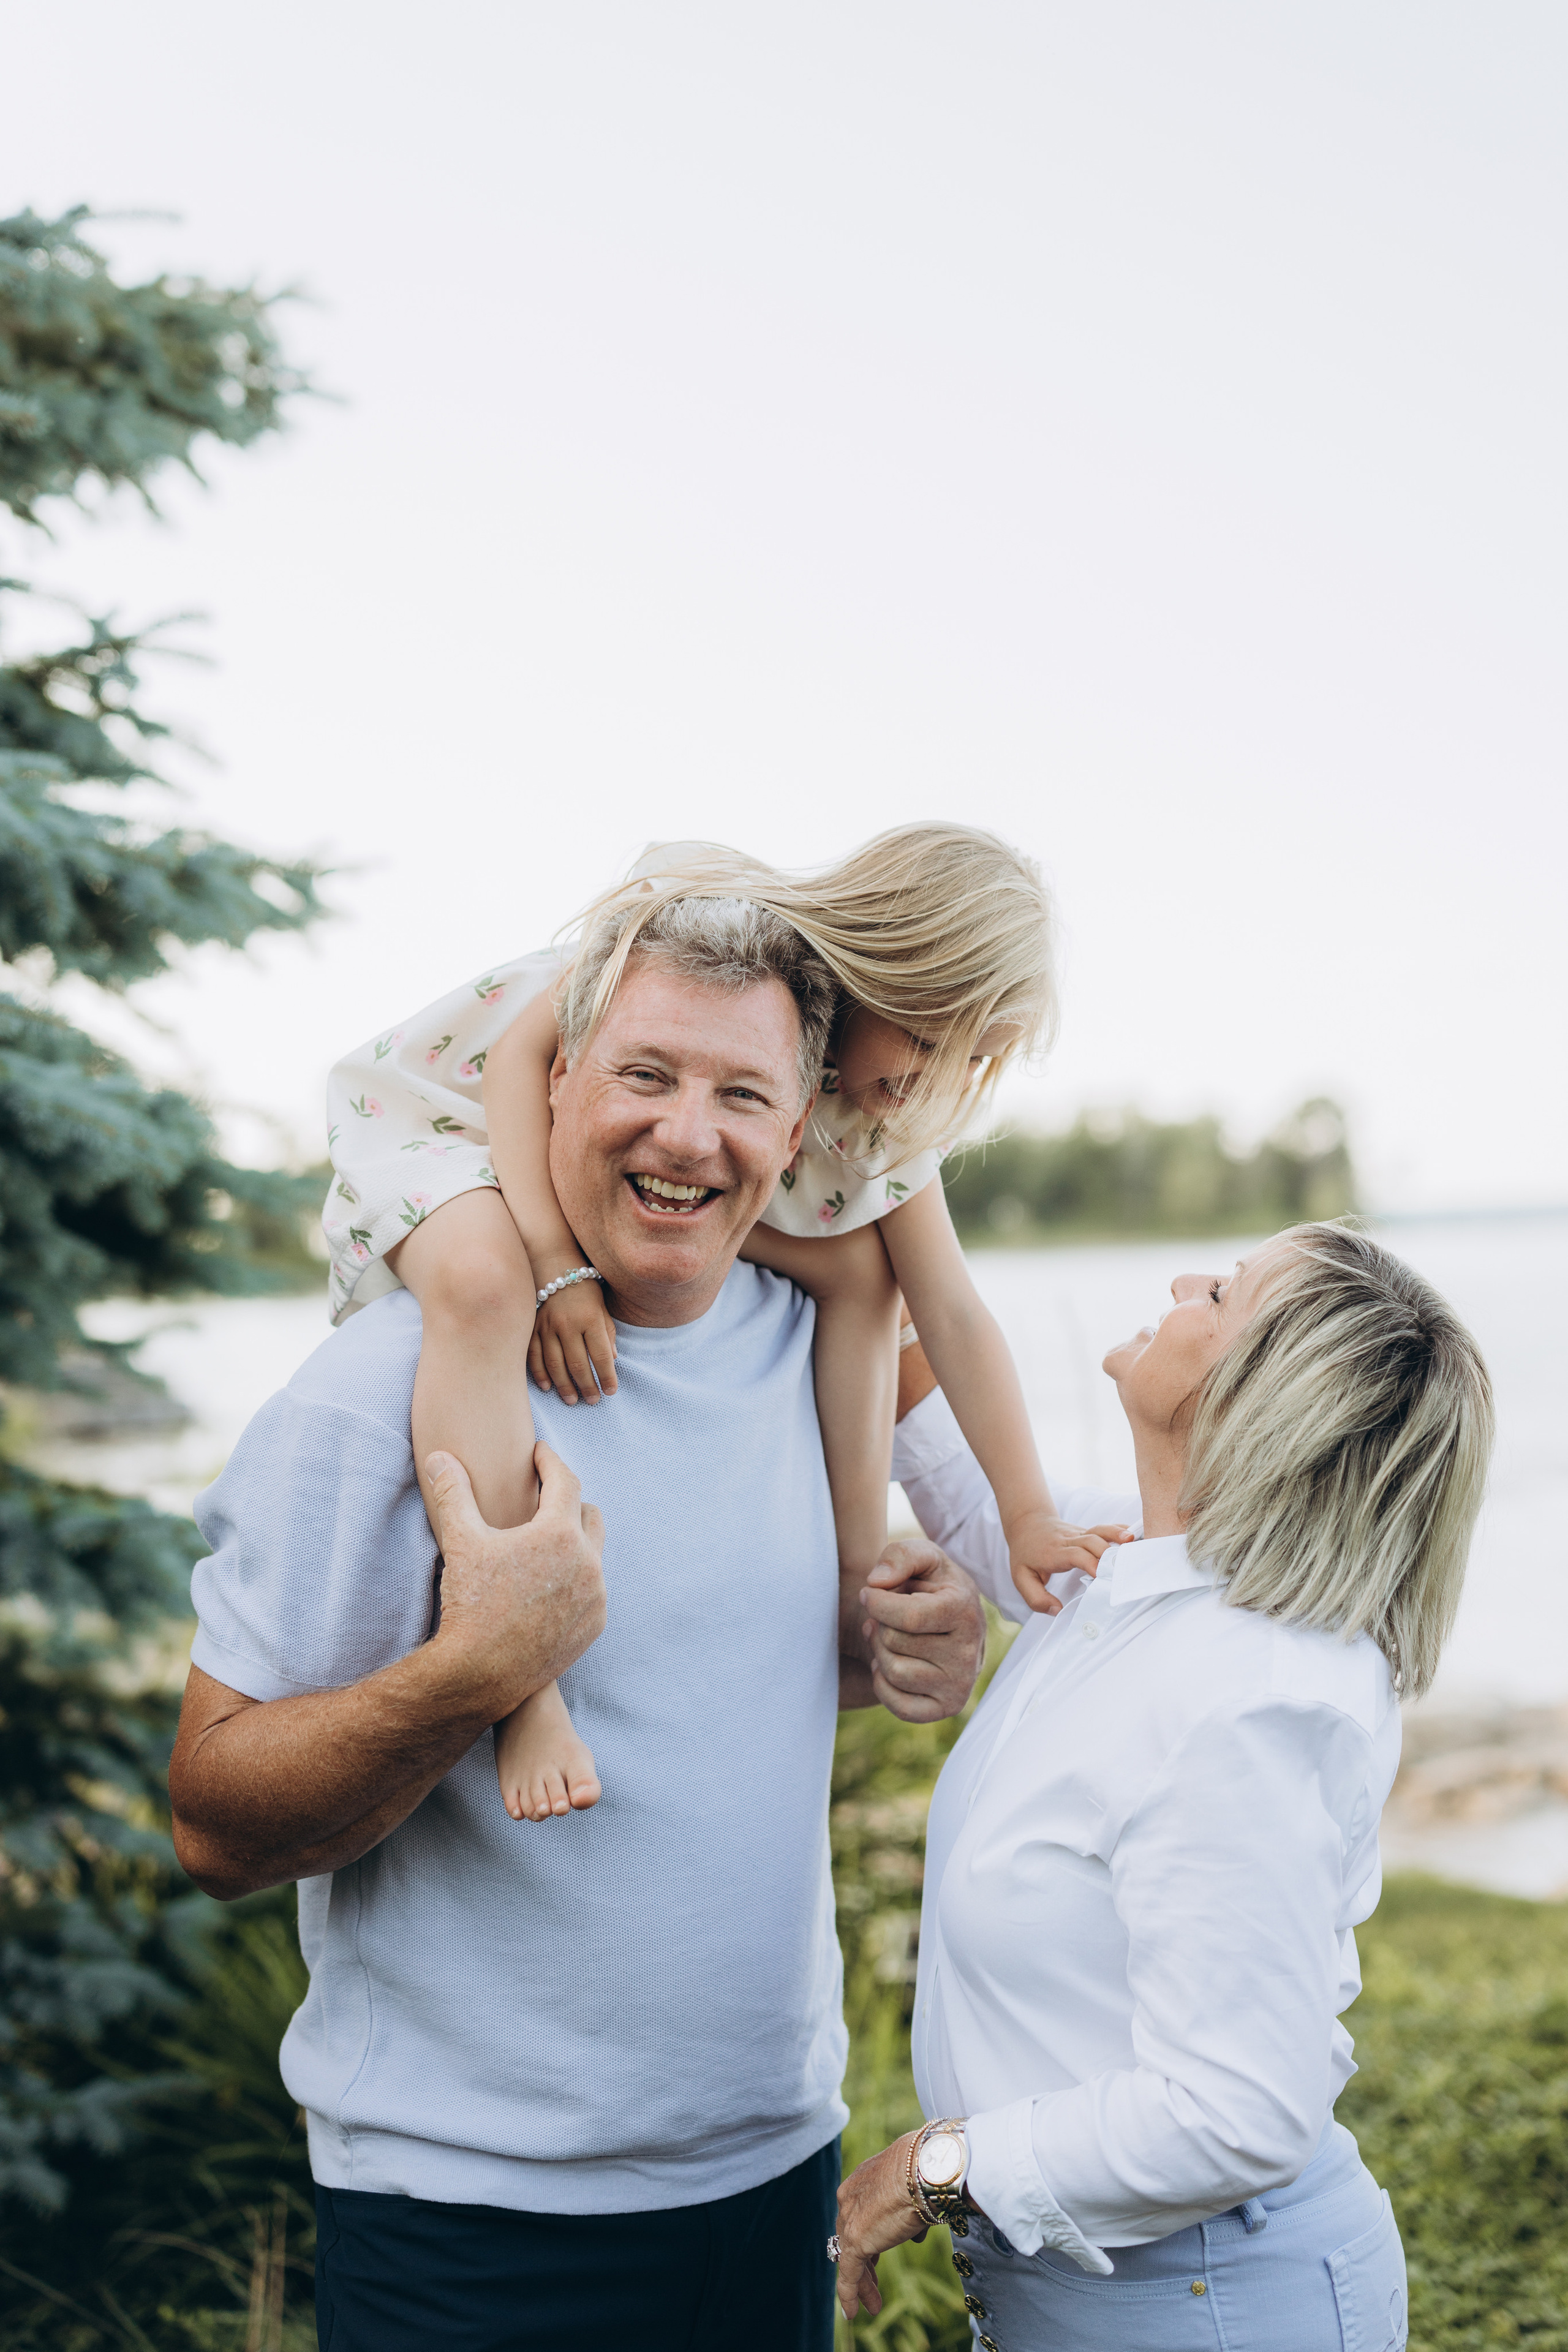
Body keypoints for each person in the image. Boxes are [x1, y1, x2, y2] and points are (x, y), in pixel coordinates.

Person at [168, 892, 990, 2352]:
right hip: (466, 2234)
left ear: (798, 1129)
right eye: (645, 1074)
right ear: (549, 1081)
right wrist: (476, 1674)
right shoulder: (381, 1393)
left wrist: (902, 1643)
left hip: (769, 2189)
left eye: (742, 1092)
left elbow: (749, 1669)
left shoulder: (820, 1354)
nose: (689, 1136)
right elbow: (216, 1825)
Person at [323, 826, 1126, 1824]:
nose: (939, 1085)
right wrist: (552, 1262)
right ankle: (524, 1683)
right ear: (881, 968)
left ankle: (845, 1581)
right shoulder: (720, 944)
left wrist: (1026, 1514)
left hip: (628, 1169)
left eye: (975, 1065)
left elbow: (954, 1312)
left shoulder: (882, 1107)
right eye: (929, 1039)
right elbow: (527, 1063)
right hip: (467, 1128)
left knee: (869, 1271)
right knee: (483, 1287)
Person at [835, 1222, 1493, 2350]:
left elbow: (1237, 2114)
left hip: (1210, 2308)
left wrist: (932, 2170)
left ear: (1263, 1393)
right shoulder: (1133, 1569)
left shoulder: (1250, 1699)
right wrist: (870, 1206)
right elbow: (964, 1477)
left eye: (1224, 1291)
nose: (1185, 1281)